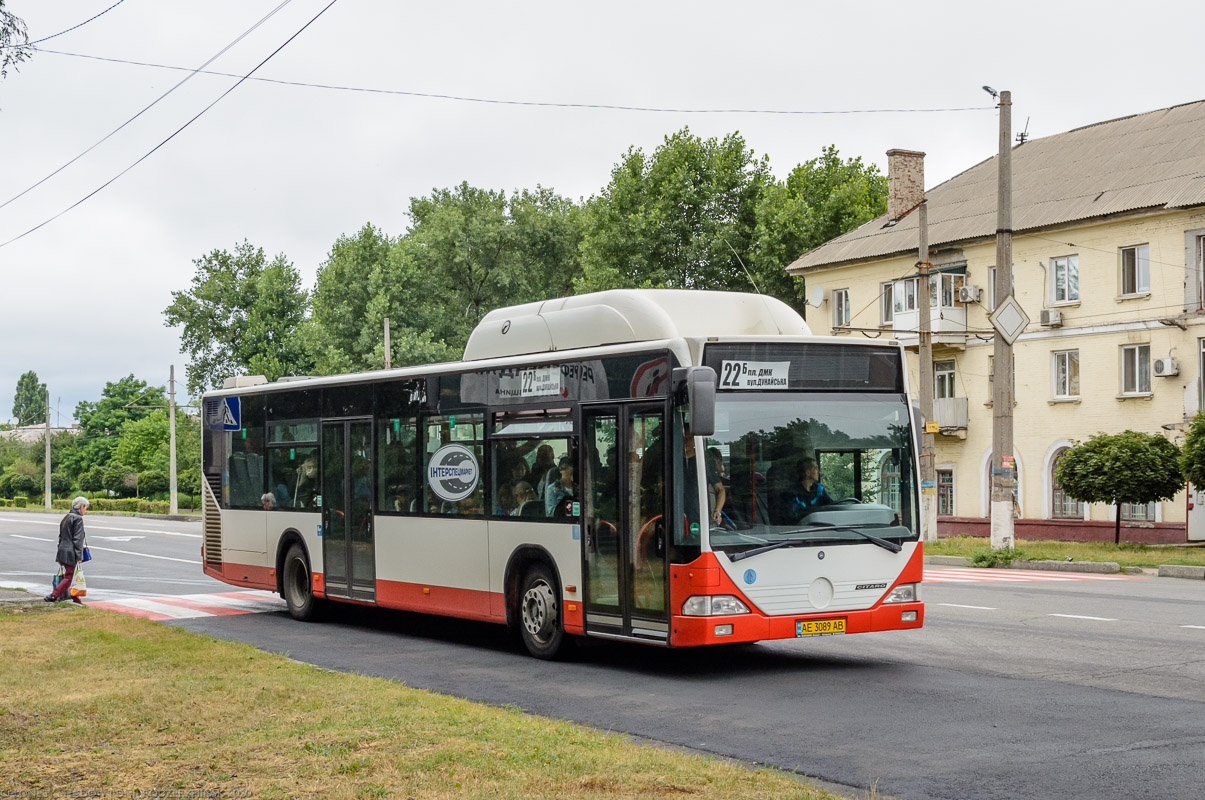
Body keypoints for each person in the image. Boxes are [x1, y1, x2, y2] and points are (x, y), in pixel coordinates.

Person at [45, 496, 89, 603]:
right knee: (69, 576)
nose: (85, 510)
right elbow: (78, 539)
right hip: (71, 552)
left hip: (62, 550)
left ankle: (75, 598)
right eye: (85, 507)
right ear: (81, 507)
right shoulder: (78, 518)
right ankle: (53, 596)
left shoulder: (67, 517)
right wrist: (79, 556)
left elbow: (61, 536)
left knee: (70, 575)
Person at [781, 457, 831, 524]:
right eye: (816, 468)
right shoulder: (791, 493)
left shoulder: (819, 490)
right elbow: (791, 517)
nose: (819, 472)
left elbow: (831, 506)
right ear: (807, 473)